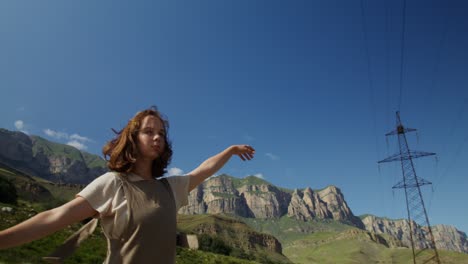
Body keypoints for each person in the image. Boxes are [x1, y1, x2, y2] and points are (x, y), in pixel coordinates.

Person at [0, 106, 255, 263]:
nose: (157, 137)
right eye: (148, 131)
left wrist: (230, 150)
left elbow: (204, 169)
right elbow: (55, 217)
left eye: (162, 134)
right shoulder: (113, 184)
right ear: (133, 138)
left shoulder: (171, 188)